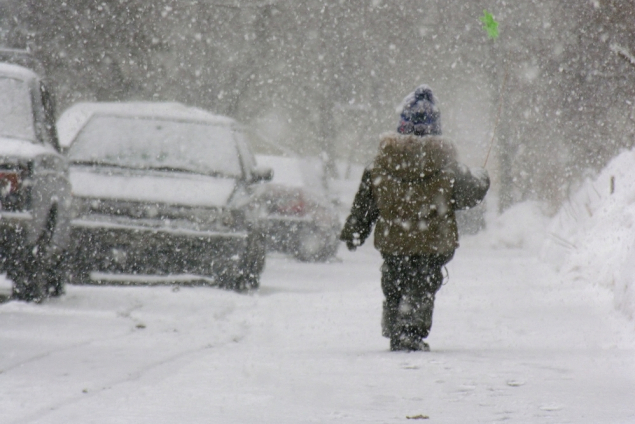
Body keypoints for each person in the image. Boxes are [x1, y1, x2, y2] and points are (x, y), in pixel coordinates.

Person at [340, 85, 490, 351]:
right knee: (423, 283)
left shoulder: (380, 164)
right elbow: (471, 194)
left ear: (402, 126)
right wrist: (482, 177)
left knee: (394, 278)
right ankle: (410, 331)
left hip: (393, 240)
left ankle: (395, 324)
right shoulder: (448, 166)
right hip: (433, 243)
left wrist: (355, 231)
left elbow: (366, 204)